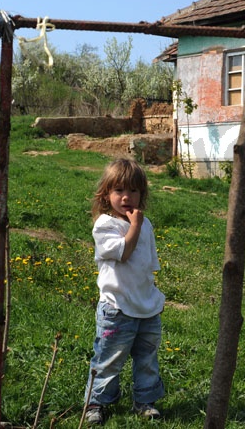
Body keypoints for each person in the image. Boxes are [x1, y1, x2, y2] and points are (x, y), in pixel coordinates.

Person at [83, 158, 165, 426]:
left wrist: (153, 298)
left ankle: (145, 401)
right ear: (106, 194)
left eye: (133, 191)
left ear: (142, 194)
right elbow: (124, 252)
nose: (126, 197)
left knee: (147, 359)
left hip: (146, 307)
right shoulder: (105, 225)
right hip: (117, 308)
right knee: (108, 359)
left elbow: (147, 267)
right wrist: (135, 226)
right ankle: (97, 403)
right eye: (119, 191)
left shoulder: (146, 224)